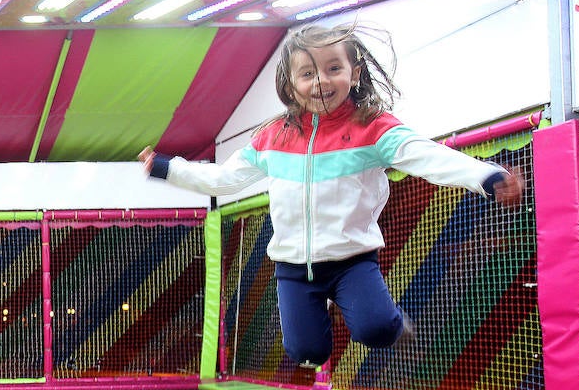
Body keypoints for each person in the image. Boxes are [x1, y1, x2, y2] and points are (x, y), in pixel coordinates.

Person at [140, 22, 524, 368]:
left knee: (374, 329)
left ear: (354, 73)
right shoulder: (274, 137)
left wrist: (487, 176)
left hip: (351, 259)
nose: (321, 81)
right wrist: (166, 167)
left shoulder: (372, 128)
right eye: (307, 74)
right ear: (290, 84)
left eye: (333, 69)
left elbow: (428, 156)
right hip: (294, 266)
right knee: (308, 353)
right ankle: (323, 312)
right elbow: (223, 180)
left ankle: (389, 323)